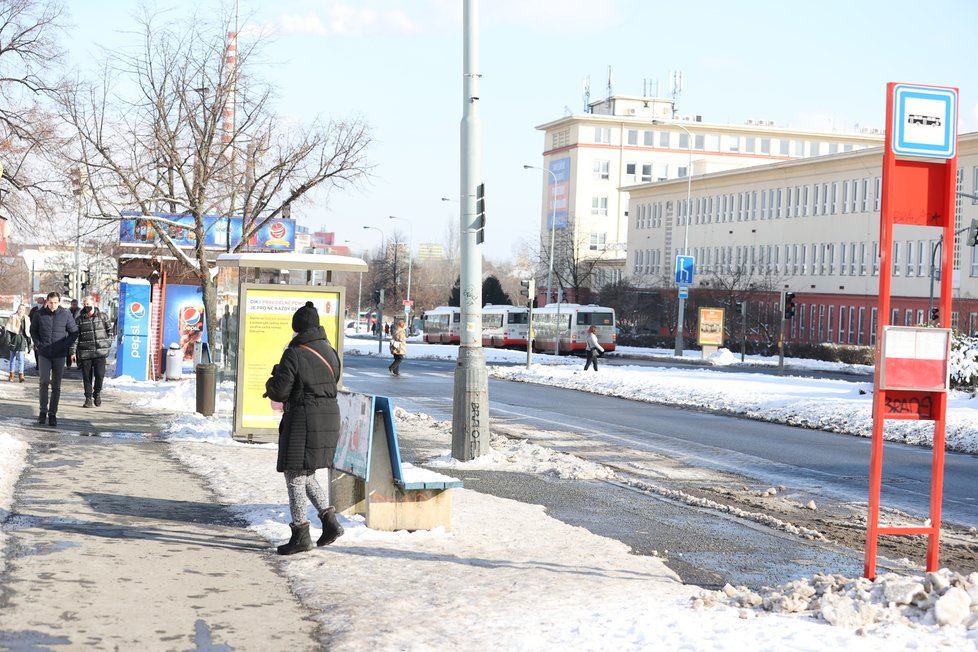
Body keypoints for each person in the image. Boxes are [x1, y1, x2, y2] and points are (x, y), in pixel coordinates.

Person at [264, 301, 344, 555]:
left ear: (297, 327)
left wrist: (273, 376)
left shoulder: (294, 352)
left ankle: (301, 534)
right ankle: (330, 522)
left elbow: (279, 390)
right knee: (306, 473)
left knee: (295, 476)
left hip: (304, 420)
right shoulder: (330, 351)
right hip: (328, 417)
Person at [30, 292, 78, 427]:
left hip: (59, 354)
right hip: (44, 353)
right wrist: (38, 344)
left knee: (56, 386)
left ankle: (52, 414)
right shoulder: (39, 314)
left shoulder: (65, 314)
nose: (53, 305)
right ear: (47, 302)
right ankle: (42, 412)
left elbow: (74, 332)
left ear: (59, 302)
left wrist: (65, 345)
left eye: (55, 302)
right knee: (44, 382)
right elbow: (33, 330)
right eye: (51, 302)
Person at [72, 295, 112, 408]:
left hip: (100, 352)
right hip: (85, 352)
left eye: (88, 304)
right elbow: (75, 337)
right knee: (87, 377)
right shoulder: (79, 319)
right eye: (84, 305)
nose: (86, 307)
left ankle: (97, 393)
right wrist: (73, 352)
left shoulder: (102, 316)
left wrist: (107, 343)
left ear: (93, 304)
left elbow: (110, 330)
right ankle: (88, 398)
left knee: (100, 375)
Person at [4, 304, 31, 382]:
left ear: (24, 310)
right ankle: (11, 375)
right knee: (12, 358)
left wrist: (29, 344)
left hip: (22, 339)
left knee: (21, 358)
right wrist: (8, 341)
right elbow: (8, 330)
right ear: (18, 309)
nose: (21, 310)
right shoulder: (13, 317)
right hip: (14, 339)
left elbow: (28, 332)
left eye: (23, 309)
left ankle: (21, 375)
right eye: (20, 309)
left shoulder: (27, 318)